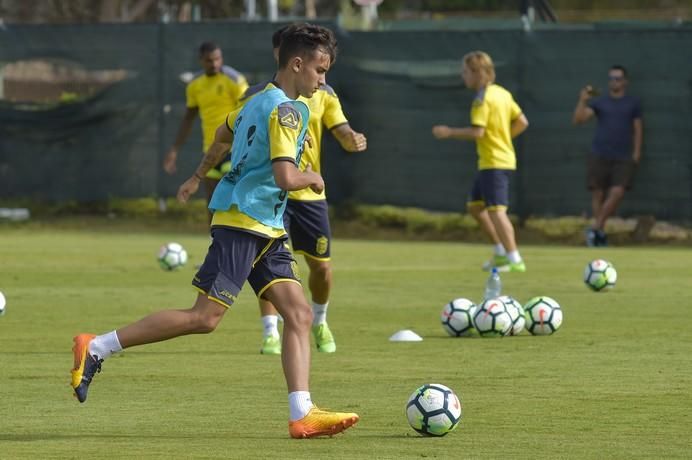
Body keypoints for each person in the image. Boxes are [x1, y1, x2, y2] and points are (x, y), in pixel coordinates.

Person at [70, 24, 359, 439]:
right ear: (297, 63)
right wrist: (310, 175)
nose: (323, 80)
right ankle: (96, 346)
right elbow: (283, 176)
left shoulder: (255, 101)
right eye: (320, 70)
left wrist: (197, 175)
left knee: (297, 314)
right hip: (245, 222)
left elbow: (224, 133)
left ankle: (302, 413)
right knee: (204, 318)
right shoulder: (289, 110)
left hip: (266, 227)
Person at [240, 25, 367, 356]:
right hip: (269, 196)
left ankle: (320, 320)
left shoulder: (322, 92)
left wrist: (351, 139)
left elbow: (341, 130)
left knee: (321, 266)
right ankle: (270, 330)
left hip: (309, 196)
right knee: (265, 266)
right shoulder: (257, 95)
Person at [432, 50, 529, 273]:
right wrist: (503, 137)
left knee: (496, 211)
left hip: (494, 162)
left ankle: (515, 259)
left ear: (477, 73)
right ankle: (501, 253)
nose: (463, 76)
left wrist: (448, 132)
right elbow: (522, 122)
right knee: (476, 207)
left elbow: (478, 132)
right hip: (496, 160)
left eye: (465, 72)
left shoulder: (481, 99)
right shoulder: (502, 94)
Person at [162, 41, 249, 222]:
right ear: (201, 61)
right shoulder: (195, 85)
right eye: (210, 60)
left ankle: (239, 242)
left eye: (218, 59)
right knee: (212, 204)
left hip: (234, 149)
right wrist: (175, 149)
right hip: (210, 150)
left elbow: (249, 112)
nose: (215, 64)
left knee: (230, 198)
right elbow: (188, 118)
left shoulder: (234, 80)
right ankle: (215, 244)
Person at [572, 65, 643, 247]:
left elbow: (638, 128)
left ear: (625, 82)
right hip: (600, 153)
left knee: (618, 192)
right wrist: (583, 100)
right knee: (598, 194)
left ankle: (595, 227)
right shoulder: (600, 102)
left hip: (624, 156)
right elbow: (578, 120)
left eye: (618, 78)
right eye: (611, 78)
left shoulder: (632, 103)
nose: (614, 82)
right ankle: (599, 236)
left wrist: (636, 152)